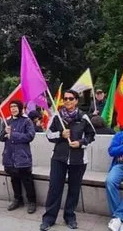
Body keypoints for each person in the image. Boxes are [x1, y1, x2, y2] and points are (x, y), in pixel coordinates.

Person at [40, 90, 95, 231]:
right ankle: (48, 219)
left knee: (74, 189)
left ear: (76, 100)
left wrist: (81, 142)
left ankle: (70, 217)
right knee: (54, 188)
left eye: (71, 98)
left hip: (78, 160)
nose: (68, 101)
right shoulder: (57, 117)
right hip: (59, 158)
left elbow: (91, 135)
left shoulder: (83, 117)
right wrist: (61, 134)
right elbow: (49, 135)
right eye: (65, 99)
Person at [0, 100, 37, 214]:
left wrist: (13, 134)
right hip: (9, 156)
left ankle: (32, 201)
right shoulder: (6, 121)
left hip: (22, 157)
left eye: (15, 107)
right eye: (11, 107)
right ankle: (17, 199)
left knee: (27, 180)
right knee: (14, 179)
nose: (13, 109)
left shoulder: (27, 121)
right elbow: (0, 138)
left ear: (20, 108)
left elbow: (30, 136)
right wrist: (5, 132)